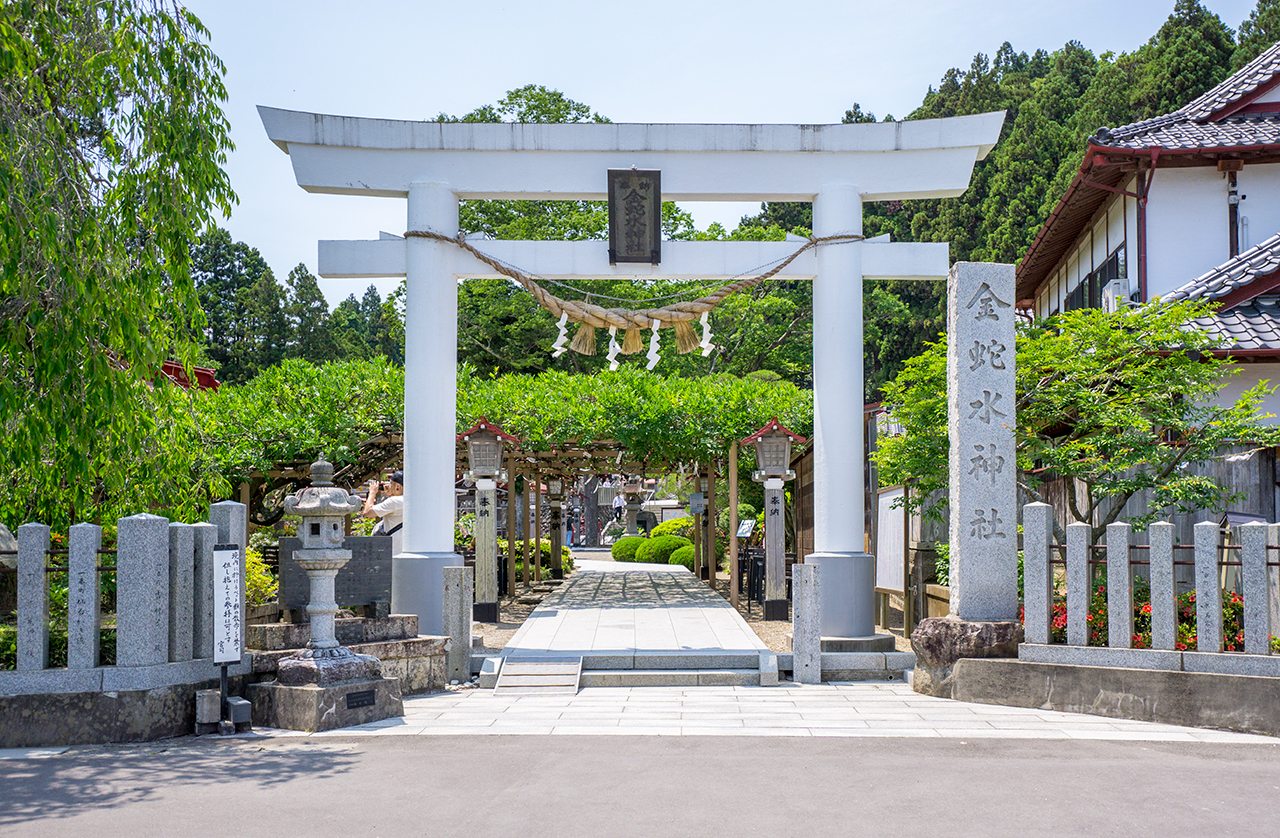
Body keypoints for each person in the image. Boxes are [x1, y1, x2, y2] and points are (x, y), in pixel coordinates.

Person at [361, 470, 404, 555]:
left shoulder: (394, 501)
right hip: (402, 551)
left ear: (398, 486)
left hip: (391, 552)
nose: (390, 486)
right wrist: (391, 494)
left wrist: (372, 493)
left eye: (391, 484)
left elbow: (367, 513)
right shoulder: (410, 501)